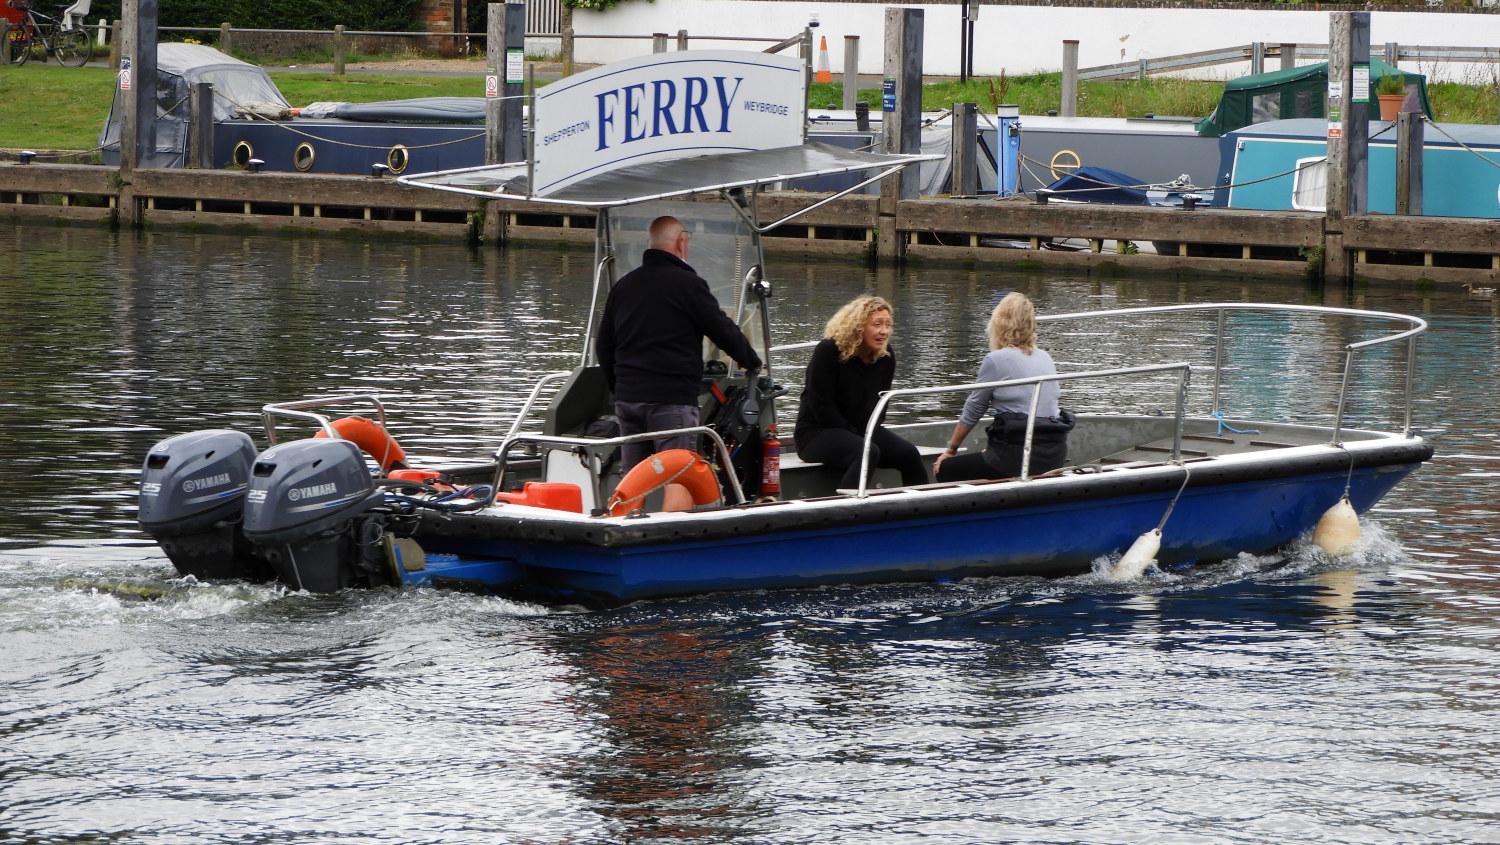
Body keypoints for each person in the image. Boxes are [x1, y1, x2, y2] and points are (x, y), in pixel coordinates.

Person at [596, 215, 763, 508]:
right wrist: (751, 361)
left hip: (629, 400)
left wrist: (620, 387)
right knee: (681, 475)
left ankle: (626, 532)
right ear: (681, 242)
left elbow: (604, 346)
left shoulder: (624, 285)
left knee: (634, 477)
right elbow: (721, 329)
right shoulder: (688, 283)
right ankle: (669, 542)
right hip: (671, 400)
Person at [933, 292, 1073, 483]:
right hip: (1053, 453)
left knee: (946, 470)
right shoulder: (1045, 357)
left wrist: (951, 449)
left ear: (999, 323)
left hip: (1017, 457)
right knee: (985, 457)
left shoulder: (995, 360)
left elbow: (975, 408)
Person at [794, 295, 929, 490]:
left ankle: (921, 510)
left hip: (861, 430)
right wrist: (855, 435)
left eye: (888, 325)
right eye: (877, 325)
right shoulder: (829, 350)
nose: (884, 331)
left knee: (909, 453)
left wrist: (864, 432)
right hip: (816, 432)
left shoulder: (885, 356)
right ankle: (847, 513)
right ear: (858, 327)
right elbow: (820, 405)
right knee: (867, 451)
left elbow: (881, 405)